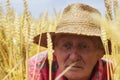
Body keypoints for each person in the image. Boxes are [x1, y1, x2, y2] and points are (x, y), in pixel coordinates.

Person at [28, 3, 113, 80]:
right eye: (66, 46)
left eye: (84, 46)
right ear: (54, 49)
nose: (73, 57)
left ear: (100, 52)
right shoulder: (39, 65)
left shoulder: (111, 72)